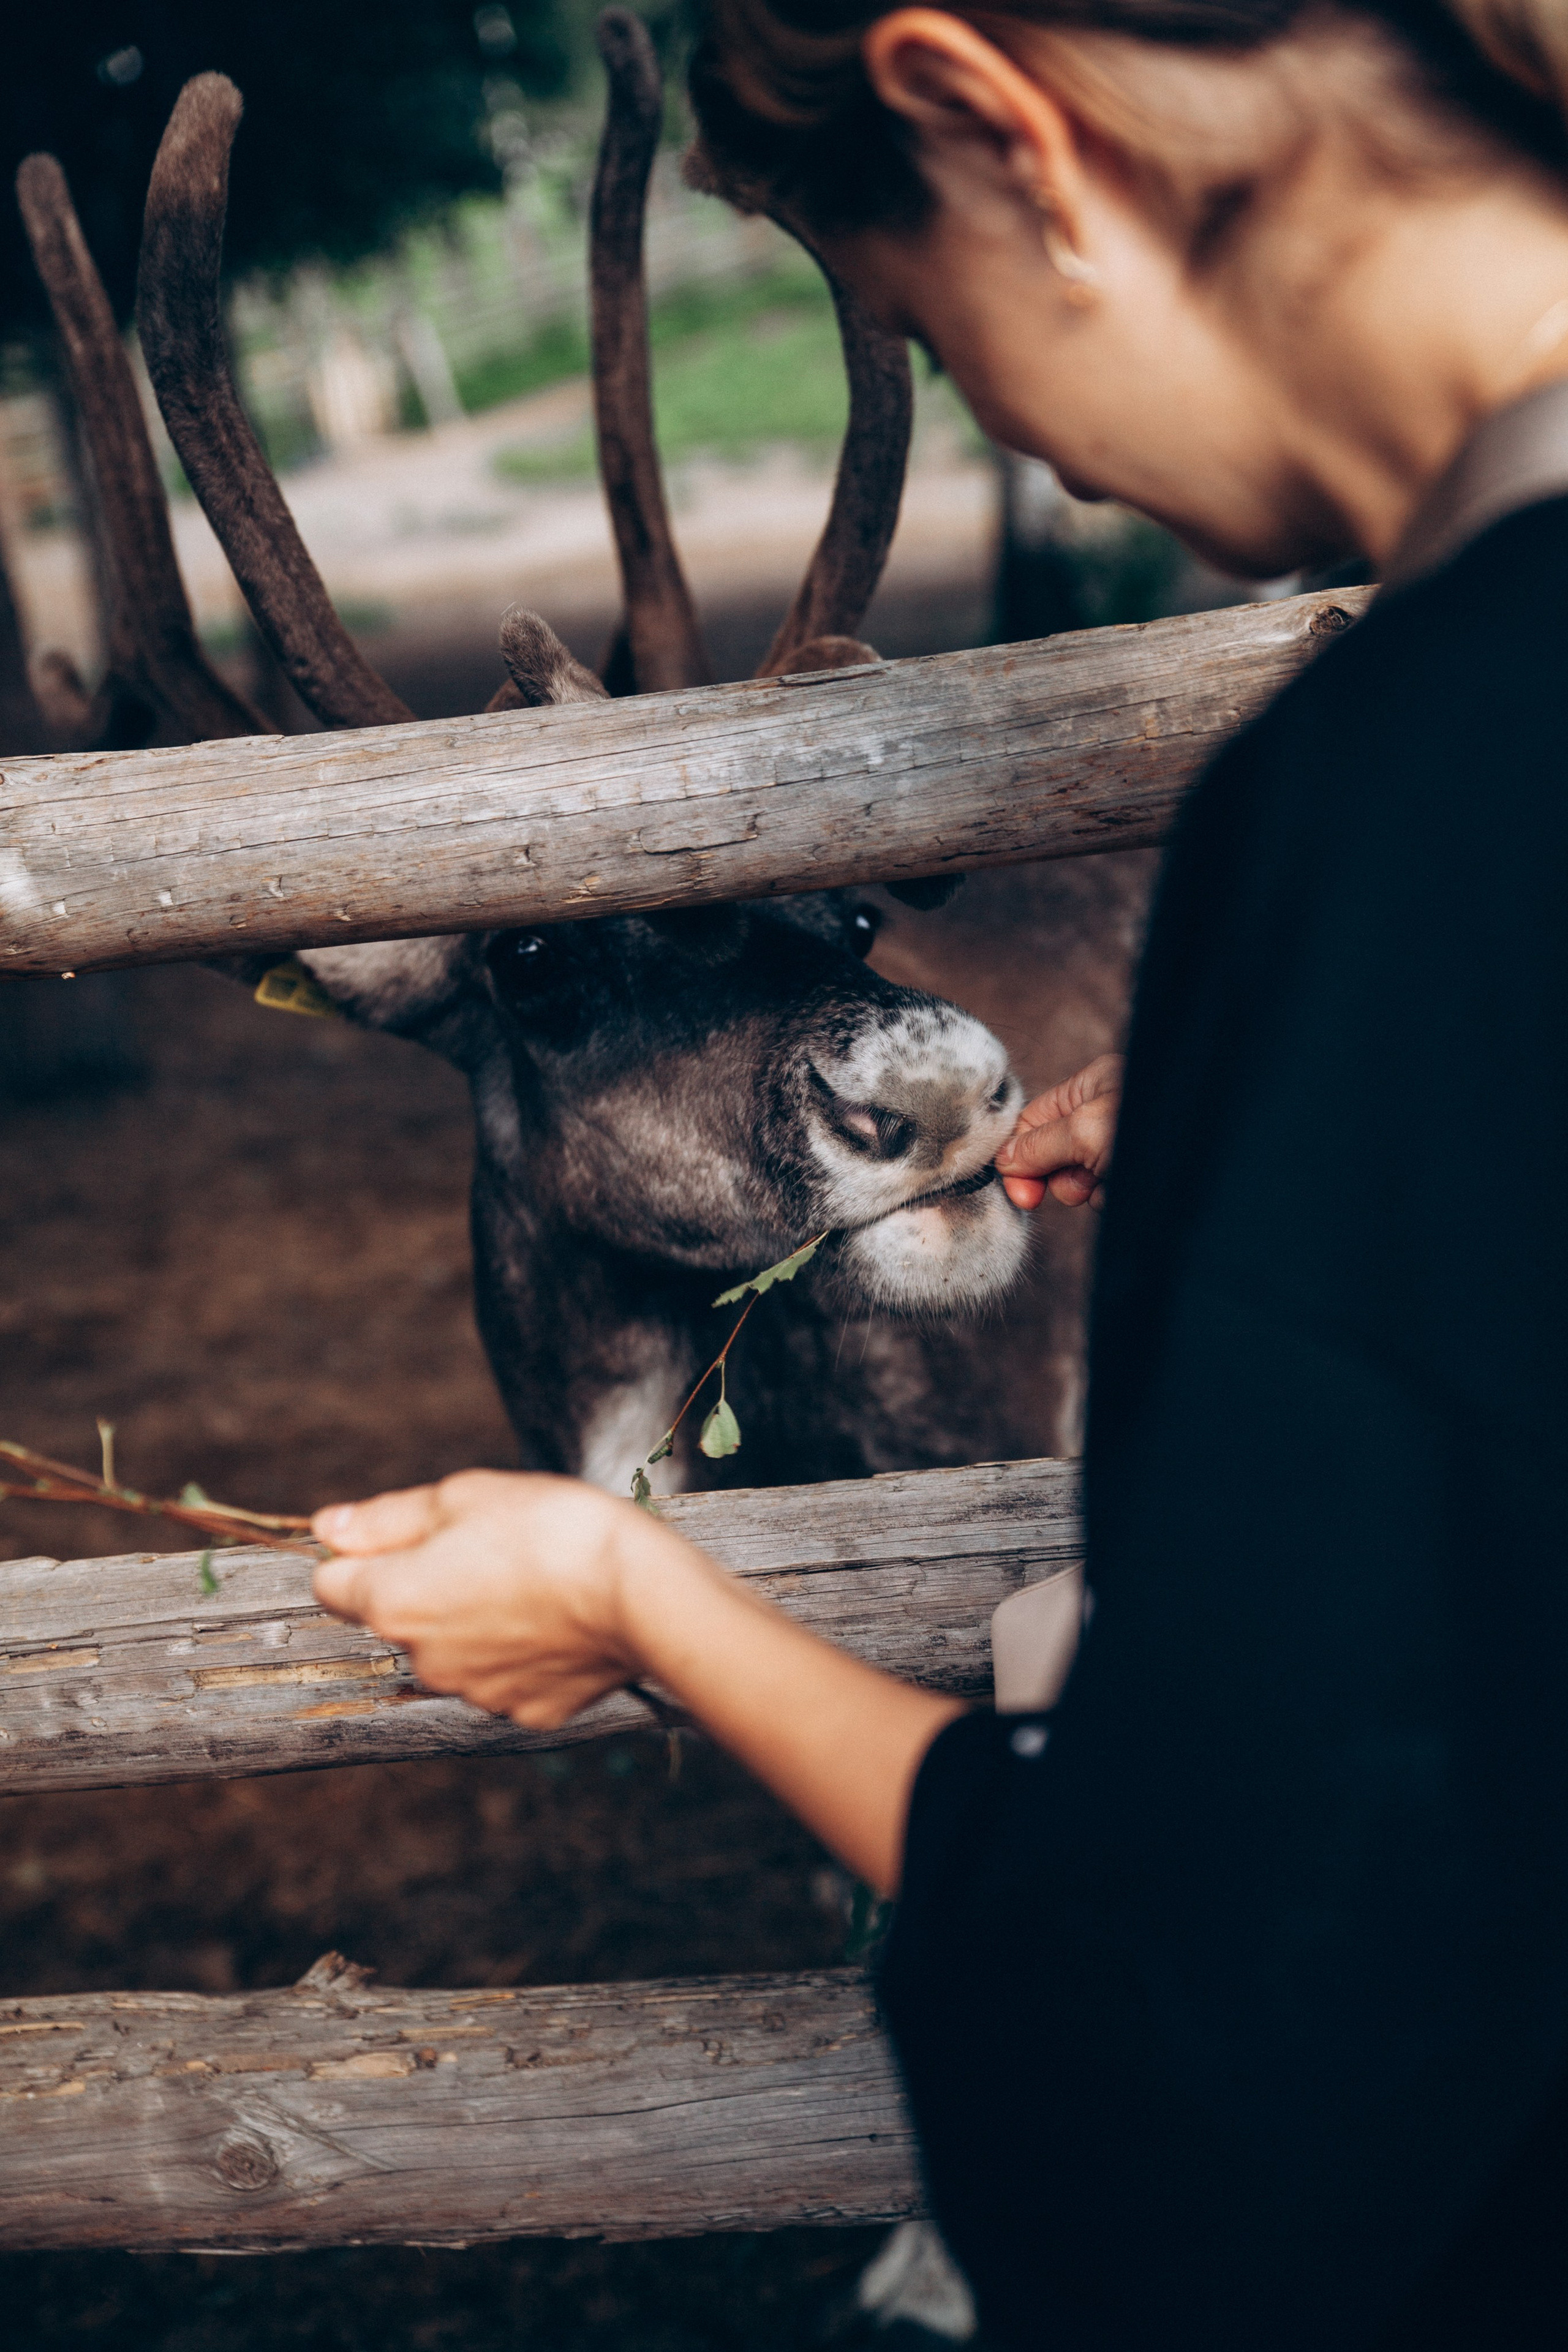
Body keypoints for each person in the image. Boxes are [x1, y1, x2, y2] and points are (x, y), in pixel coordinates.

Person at [311, 2, 1568, 2342]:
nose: (1029, 449)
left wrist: (639, 1601)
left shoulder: (1425, 783)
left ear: (1012, 134)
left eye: (928, 327)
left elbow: (1229, 2041)